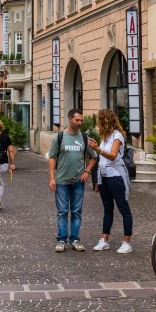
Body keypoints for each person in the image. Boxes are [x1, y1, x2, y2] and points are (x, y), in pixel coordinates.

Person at [48, 108, 97, 253]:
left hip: (78, 182)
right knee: (62, 211)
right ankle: (62, 240)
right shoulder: (59, 137)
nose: (80, 122)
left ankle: (75, 239)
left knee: (76, 211)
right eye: (77, 120)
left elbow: (94, 157)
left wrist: (87, 171)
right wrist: (52, 178)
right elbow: (52, 157)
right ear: (70, 119)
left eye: (81, 120)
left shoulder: (84, 138)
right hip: (62, 181)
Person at [89, 109, 133, 254]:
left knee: (123, 208)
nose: (97, 124)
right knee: (107, 208)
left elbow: (113, 156)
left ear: (104, 121)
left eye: (99, 121)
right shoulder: (104, 137)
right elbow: (102, 160)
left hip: (116, 176)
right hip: (105, 177)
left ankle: (127, 242)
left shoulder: (117, 135)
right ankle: (104, 240)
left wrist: (98, 149)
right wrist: (98, 182)